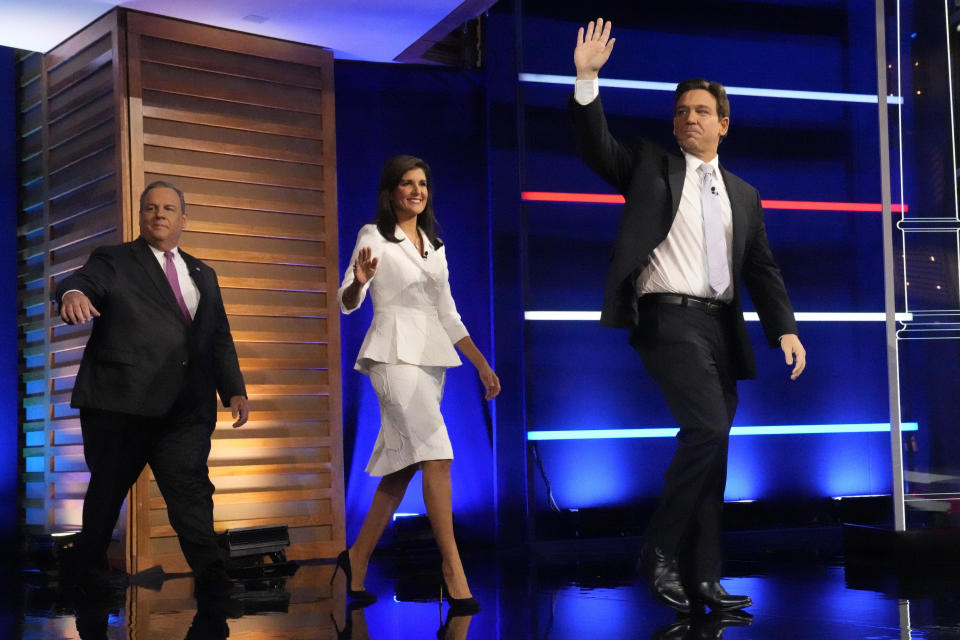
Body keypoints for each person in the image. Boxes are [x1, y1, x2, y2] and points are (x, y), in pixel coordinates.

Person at [570, 19, 807, 613]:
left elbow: (763, 269)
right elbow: (598, 148)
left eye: (701, 111)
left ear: (723, 123)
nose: (688, 119)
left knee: (715, 445)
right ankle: (659, 553)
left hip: (720, 326)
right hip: (667, 319)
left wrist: (785, 329)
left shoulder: (745, 194)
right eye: (681, 112)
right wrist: (586, 80)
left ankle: (704, 576)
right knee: (707, 427)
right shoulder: (651, 165)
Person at [55, 181, 249, 598]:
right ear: (141, 216)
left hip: (184, 408)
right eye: (149, 208)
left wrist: (233, 389)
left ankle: (213, 578)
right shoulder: (115, 259)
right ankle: (86, 575)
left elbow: (218, 336)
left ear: (183, 219)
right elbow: (81, 282)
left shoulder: (203, 274)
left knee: (192, 491)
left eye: (167, 209)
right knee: (107, 492)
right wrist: (71, 294)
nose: (158, 214)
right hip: (122, 403)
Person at [334, 155, 500, 615]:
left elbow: (448, 314)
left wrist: (482, 364)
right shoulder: (373, 235)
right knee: (438, 453)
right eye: (407, 183)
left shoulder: (435, 245)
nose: (416, 190)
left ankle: (356, 558)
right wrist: (360, 282)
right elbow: (348, 299)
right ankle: (453, 570)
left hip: (430, 361)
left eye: (422, 183)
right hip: (391, 354)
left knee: (405, 465)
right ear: (390, 192)